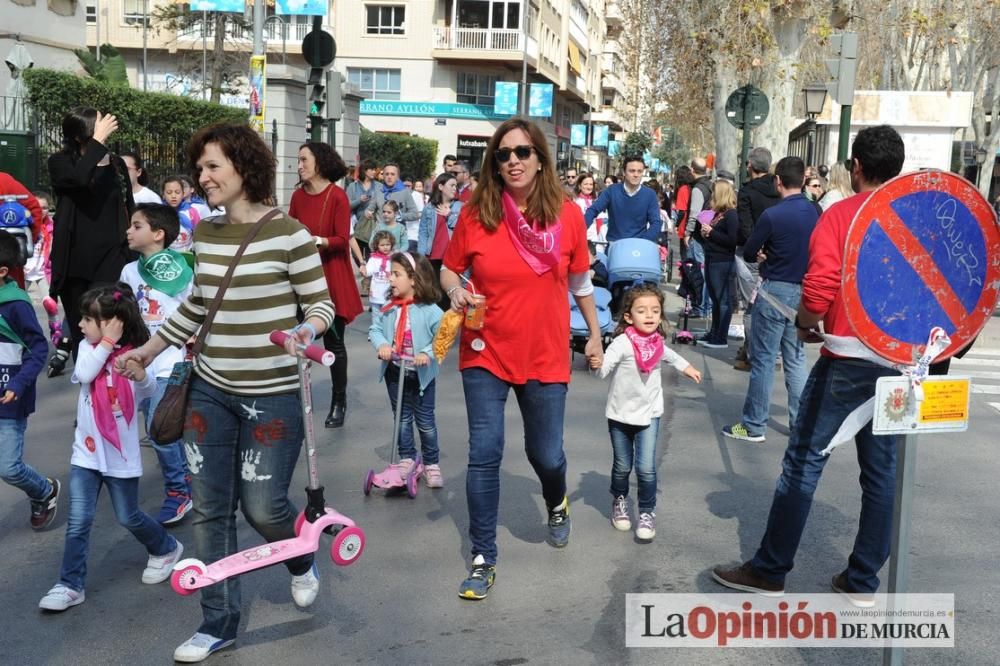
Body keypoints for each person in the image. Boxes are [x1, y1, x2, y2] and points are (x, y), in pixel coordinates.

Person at [115, 123, 335, 662]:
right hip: (210, 389)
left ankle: (300, 555)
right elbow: (196, 305)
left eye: (213, 166)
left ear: (244, 167)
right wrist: (148, 349)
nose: (202, 176)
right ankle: (218, 623)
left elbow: (321, 305)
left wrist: (307, 331)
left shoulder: (290, 233)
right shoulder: (206, 235)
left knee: (263, 508)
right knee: (211, 510)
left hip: (274, 394)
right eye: (200, 168)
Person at [711, 125, 907, 608]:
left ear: (855, 167)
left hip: (848, 358)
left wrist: (804, 323)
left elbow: (819, 286)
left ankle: (770, 569)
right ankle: (862, 580)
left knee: (803, 462)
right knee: (881, 474)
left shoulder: (842, 215)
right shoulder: (913, 219)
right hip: (903, 364)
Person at [439, 117, 603, 601]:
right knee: (483, 453)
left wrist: (594, 335)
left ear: (539, 159)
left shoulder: (568, 215)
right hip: (484, 348)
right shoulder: (476, 212)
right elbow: (449, 270)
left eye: (523, 152)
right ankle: (482, 556)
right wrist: (456, 292)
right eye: (504, 153)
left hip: (546, 350)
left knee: (545, 454)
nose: (513, 160)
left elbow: (580, 285)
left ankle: (556, 501)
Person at [38, 283, 183, 612]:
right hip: (86, 454)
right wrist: (105, 342)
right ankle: (70, 584)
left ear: (113, 323)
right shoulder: (91, 349)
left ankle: (166, 547)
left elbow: (146, 392)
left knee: (128, 516)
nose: (80, 324)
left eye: (89, 319)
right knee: (78, 521)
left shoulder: (134, 353)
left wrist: (141, 374)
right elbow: (84, 372)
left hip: (120, 456)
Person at [591, 285, 701, 540]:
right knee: (622, 466)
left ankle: (646, 512)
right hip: (619, 415)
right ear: (629, 317)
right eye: (642, 311)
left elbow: (672, 357)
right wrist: (596, 363)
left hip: (649, 414)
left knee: (646, 468)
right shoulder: (622, 343)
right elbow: (603, 370)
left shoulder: (657, 344)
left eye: (655, 311)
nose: (650, 315)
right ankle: (619, 500)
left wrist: (689, 368)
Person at [722, 156, 819, 443]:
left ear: (778, 181)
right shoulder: (816, 211)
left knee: (763, 360)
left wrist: (765, 254)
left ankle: (754, 425)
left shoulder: (773, 216)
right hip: (803, 291)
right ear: (803, 181)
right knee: (796, 359)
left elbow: (750, 251)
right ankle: (799, 424)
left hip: (774, 289)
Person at [120, 203, 194, 524]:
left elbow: (197, 310)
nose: (129, 231)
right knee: (161, 429)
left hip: (171, 362)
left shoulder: (183, 269)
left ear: (158, 234)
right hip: (139, 364)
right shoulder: (127, 271)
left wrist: (194, 346)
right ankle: (186, 476)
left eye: (137, 226)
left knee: (157, 428)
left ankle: (178, 491)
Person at [48, 107, 136, 358]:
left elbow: (128, 204)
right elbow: (79, 179)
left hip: (111, 258)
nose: (104, 128)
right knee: (83, 333)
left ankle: (112, 390)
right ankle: (87, 391)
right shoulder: (60, 162)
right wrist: (97, 143)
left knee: (110, 327)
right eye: (97, 125)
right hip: (75, 262)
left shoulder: (117, 165)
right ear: (79, 135)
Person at [289, 142, 364, 429]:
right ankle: (292, 400)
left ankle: (338, 401)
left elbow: (343, 240)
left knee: (335, 343)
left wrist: (318, 241)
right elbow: (292, 230)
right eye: (298, 160)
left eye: (303, 159)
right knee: (294, 339)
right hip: (301, 278)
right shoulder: (297, 195)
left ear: (319, 162)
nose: (299, 165)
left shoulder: (338, 196)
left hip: (331, 276)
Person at [0, 230, 60, 531]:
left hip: (10, 397)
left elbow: (38, 349)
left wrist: (18, 384)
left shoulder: (15, 305)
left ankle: (43, 490)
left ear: (2, 271)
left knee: (8, 467)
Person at [368, 252, 445, 488]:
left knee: (425, 422)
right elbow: (375, 329)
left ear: (413, 279)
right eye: (391, 273)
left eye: (396, 274)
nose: (390, 278)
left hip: (421, 376)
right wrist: (382, 344)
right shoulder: (389, 308)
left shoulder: (431, 310)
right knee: (401, 418)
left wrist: (426, 353)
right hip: (396, 371)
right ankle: (406, 458)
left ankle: (431, 463)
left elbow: (442, 338)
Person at [733, 147, 781, 371]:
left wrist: (755, 248)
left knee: (751, 308)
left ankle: (753, 354)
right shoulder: (778, 189)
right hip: (775, 255)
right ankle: (773, 353)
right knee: (773, 305)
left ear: (750, 166)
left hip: (750, 255)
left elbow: (745, 228)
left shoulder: (747, 192)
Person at [696, 180, 739, 348]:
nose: (711, 196)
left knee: (723, 299)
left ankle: (721, 336)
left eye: (714, 193)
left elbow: (732, 240)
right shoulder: (717, 214)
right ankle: (714, 332)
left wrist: (712, 232)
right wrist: (705, 233)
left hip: (723, 261)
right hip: (712, 258)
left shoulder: (731, 215)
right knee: (715, 298)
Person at [584, 157, 661, 243]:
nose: (636, 174)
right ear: (624, 172)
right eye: (632, 171)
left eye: (639, 171)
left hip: (640, 247)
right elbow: (593, 210)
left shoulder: (650, 194)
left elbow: (656, 222)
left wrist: (644, 241)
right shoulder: (612, 191)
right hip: (615, 245)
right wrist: (580, 230)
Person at [684, 158, 714, 317]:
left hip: (698, 235)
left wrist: (688, 233)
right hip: (707, 235)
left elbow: (694, 214)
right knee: (704, 272)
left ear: (692, 170)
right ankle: (705, 307)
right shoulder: (710, 186)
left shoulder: (698, 189)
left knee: (696, 272)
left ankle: (700, 307)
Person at [417, 171, 462, 263]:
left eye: (456, 186)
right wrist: (421, 257)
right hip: (432, 256)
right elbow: (423, 233)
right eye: (452, 185)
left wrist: (450, 215)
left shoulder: (460, 206)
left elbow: (462, 230)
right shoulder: (429, 208)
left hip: (452, 257)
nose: (454, 188)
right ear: (441, 187)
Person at [366, 163, 421, 236]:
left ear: (397, 177)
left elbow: (415, 214)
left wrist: (401, 216)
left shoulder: (405, 192)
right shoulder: (378, 191)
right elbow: (369, 209)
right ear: (383, 176)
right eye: (387, 174)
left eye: (392, 174)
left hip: (398, 236)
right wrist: (368, 213)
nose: (389, 177)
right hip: (380, 236)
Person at [162, 176, 199, 252]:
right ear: (163, 195)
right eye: (169, 192)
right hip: (168, 256)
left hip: (188, 256)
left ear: (183, 194)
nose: (173, 196)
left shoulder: (192, 212)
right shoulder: (159, 214)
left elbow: (198, 235)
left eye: (177, 192)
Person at [575, 173, 608, 253]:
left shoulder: (597, 201)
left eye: (591, 184)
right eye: (585, 184)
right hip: (580, 238)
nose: (589, 187)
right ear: (579, 186)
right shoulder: (575, 201)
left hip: (595, 239)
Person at [364, 231, 395, 312]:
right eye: (382, 245)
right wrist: (363, 270)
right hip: (376, 293)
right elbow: (368, 272)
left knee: (389, 317)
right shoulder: (373, 259)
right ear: (377, 246)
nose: (385, 247)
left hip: (389, 294)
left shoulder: (394, 258)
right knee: (376, 318)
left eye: (388, 245)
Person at [672, 166, 695, 258]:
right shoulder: (693, 187)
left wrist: (677, 225)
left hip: (684, 225)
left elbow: (682, 211)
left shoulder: (683, 189)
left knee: (685, 255)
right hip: (693, 225)